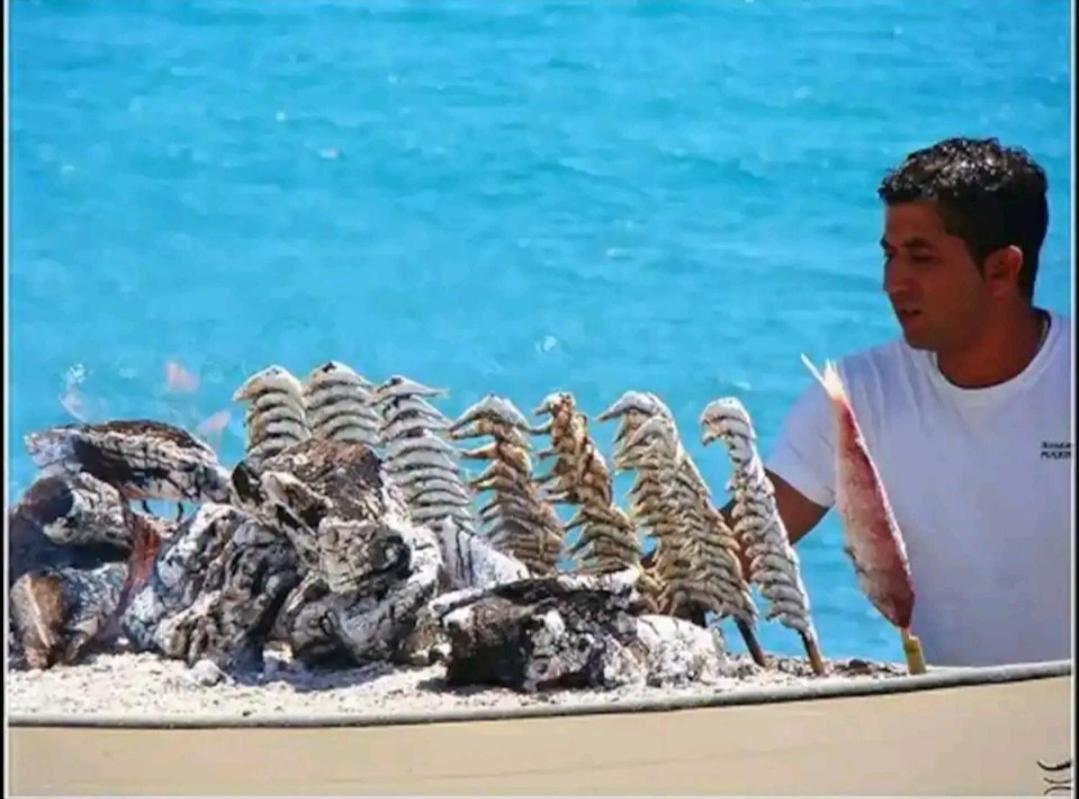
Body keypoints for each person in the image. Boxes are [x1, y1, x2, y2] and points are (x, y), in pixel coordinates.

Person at [762, 136, 1072, 667]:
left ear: (1002, 269)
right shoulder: (855, 396)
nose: (892, 283)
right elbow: (729, 552)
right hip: (944, 722)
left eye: (921, 259)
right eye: (889, 255)